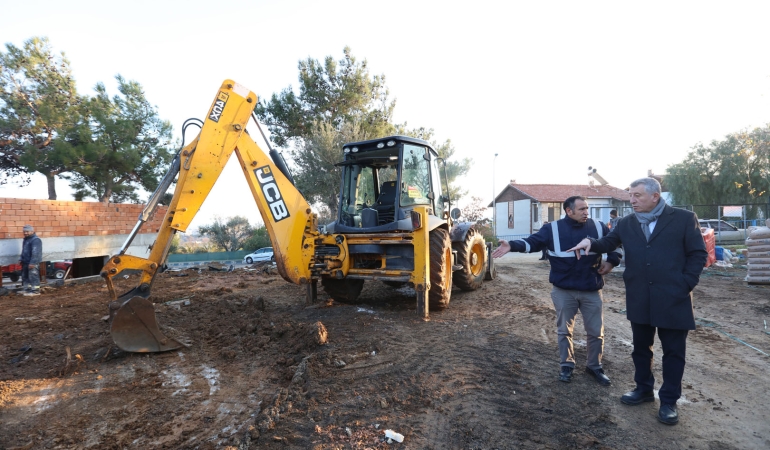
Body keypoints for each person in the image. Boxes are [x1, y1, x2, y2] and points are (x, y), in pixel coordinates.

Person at [566, 178, 707, 426]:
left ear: (655, 196)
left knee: (674, 353)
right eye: (631, 195)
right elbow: (609, 242)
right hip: (640, 295)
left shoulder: (684, 219)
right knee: (641, 348)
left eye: (637, 195)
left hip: (674, 297)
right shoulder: (627, 222)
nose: (631, 200)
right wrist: (591, 243)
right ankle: (643, 390)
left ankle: (668, 401)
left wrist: (686, 284)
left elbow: (698, 253)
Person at [492, 196, 621, 385]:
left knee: (595, 332)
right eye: (582, 209)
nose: (586, 212)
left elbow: (615, 246)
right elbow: (532, 243)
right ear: (569, 211)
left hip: (591, 290)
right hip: (563, 291)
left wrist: (611, 262)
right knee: (564, 331)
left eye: (587, 208)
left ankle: (594, 367)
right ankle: (566, 366)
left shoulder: (600, 226)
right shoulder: (551, 229)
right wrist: (512, 245)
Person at [19, 224, 43, 296]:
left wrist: (33, 262)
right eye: (24, 231)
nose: (25, 233)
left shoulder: (36, 240)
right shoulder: (26, 239)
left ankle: (35, 291)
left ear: (32, 231)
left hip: (32, 262)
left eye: (27, 231)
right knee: (25, 276)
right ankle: (27, 289)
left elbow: (36, 252)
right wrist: (21, 259)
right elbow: (24, 250)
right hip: (25, 261)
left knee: (33, 276)